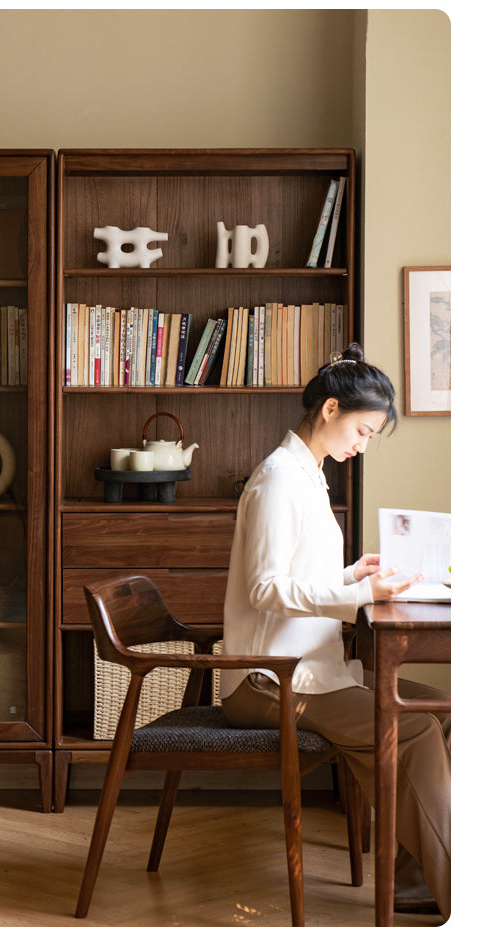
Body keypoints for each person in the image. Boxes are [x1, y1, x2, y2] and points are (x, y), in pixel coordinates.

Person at [218, 343, 450, 920]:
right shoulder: (277, 480)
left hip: (309, 670)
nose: (363, 443)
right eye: (364, 430)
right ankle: (457, 890)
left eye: (371, 435)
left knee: (445, 712)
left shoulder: (308, 475)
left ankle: (416, 879)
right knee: (417, 729)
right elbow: (265, 589)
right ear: (329, 410)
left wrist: (354, 574)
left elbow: (303, 577)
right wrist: (359, 596)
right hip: (270, 680)